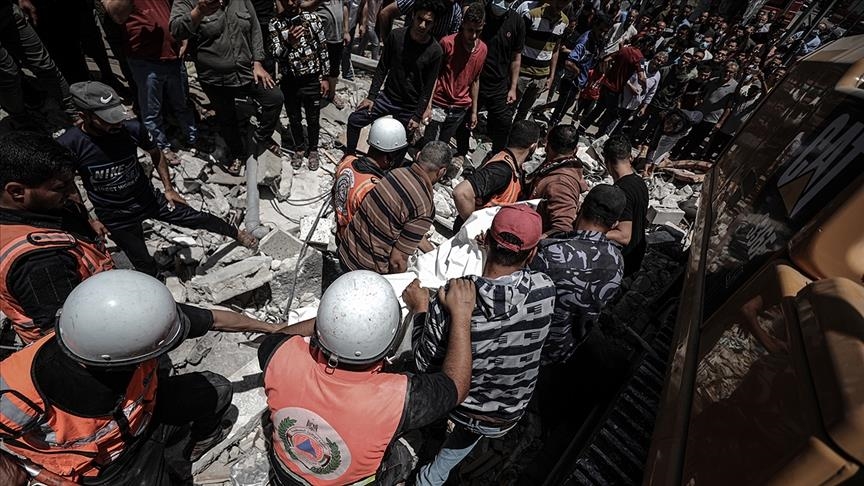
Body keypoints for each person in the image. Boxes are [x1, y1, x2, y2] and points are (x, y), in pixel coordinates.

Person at [0, 269, 287, 485]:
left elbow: (216, 320)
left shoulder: (140, 326)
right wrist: (26, 469)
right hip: (108, 464)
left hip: (147, 413)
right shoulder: (16, 388)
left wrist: (274, 331)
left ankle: (188, 447)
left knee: (216, 389)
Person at [258, 270, 475, 485]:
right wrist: (460, 315)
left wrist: (333, 324)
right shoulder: (396, 399)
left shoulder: (278, 355)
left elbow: (280, 336)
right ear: (390, 342)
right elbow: (456, 386)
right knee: (408, 449)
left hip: (284, 473)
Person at [410, 204, 556, 485]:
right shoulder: (546, 289)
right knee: (463, 440)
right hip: (505, 415)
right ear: (533, 253)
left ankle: (427, 431)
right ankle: (431, 477)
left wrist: (420, 309)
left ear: (486, 239)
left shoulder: (453, 297)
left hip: (459, 405)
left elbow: (422, 363)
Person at [57, 81, 257, 278]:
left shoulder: (132, 129)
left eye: (117, 116)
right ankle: (158, 285)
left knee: (196, 217)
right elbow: (68, 184)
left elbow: (156, 152)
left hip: (149, 199)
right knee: (142, 261)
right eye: (108, 119)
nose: (117, 123)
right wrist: (89, 220)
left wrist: (169, 188)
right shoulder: (69, 144)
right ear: (84, 116)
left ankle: (236, 233)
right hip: (115, 215)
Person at [0, 132, 114, 344]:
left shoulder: (42, 208)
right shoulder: (40, 263)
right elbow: (74, 337)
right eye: (60, 188)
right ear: (16, 191)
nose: (71, 193)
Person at [170, 0, 283, 174]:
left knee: (274, 97)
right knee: (226, 118)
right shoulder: (189, 2)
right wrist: (199, 11)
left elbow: (255, 29)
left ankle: (263, 136)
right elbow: (176, 30)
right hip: (215, 78)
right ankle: (237, 154)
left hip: (246, 71)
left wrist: (258, 62)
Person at [529, 183, 626, 365]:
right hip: (567, 351)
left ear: (580, 207)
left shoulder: (551, 253)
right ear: (614, 224)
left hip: (530, 351)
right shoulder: (617, 261)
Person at [345, 0, 444, 166]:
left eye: (428, 22)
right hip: (388, 97)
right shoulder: (396, 36)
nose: (422, 25)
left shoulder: (435, 51)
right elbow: (382, 68)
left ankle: (391, 171)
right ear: (413, 16)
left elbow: (428, 87)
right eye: (420, 19)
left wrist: (417, 116)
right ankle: (349, 156)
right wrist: (371, 97)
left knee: (402, 143)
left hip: (410, 106)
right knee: (355, 120)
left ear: (433, 24)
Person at [103, 0, 199, 166]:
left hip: (173, 53)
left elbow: (176, 7)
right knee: (152, 110)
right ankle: (161, 147)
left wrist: (183, 37)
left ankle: (193, 137)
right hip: (144, 59)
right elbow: (117, 14)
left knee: (182, 102)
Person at [338, 141, 452, 274]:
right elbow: (397, 262)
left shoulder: (395, 173)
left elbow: (400, 227)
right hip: (365, 272)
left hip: (345, 251)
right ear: (442, 171)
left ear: (418, 155)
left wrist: (434, 253)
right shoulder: (424, 206)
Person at [454, 0, 526, 153]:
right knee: (465, 119)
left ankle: (496, 155)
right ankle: (461, 153)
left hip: (499, 83)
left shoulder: (517, 22)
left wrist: (513, 87)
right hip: (474, 80)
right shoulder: (479, 14)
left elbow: (516, 58)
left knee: (504, 122)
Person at [269, 0, 331, 171]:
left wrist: (325, 77)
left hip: (311, 79)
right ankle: (299, 148)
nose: (290, 2)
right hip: (290, 81)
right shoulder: (275, 23)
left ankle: (313, 149)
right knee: (294, 117)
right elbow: (275, 54)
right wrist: (288, 42)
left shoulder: (313, 19)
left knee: (313, 117)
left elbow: (323, 49)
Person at [421, 2, 487, 151]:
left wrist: (474, 111)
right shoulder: (447, 43)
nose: (474, 35)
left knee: (443, 145)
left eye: (478, 31)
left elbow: (475, 80)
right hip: (439, 102)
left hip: (460, 107)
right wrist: (428, 105)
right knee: (429, 145)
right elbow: (434, 76)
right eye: (470, 30)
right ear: (463, 24)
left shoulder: (483, 50)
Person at [451, 119, 540, 227]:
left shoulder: (511, 165)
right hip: (474, 232)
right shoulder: (501, 170)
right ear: (533, 146)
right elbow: (461, 193)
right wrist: (473, 226)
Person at [0, 0, 73, 129]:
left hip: (6, 10)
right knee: (9, 75)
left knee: (44, 64)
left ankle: (74, 114)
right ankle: (24, 123)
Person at [333, 117, 408, 237]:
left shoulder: (347, 161)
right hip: (352, 238)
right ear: (387, 158)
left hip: (341, 225)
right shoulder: (374, 188)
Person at [549, 13, 611, 128]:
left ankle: (542, 109)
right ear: (595, 25)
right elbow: (569, 63)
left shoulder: (596, 41)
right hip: (571, 82)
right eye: (601, 30)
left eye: (605, 31)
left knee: (565, 105)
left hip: (579, 84)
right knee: (559, 113)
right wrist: (577, 72)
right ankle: (548, 134)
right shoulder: (584, 41)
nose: (602, 34)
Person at [523, 124, 588, 236]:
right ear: (575, 150)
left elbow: (562, 228)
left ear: (547, 146)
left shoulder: (560, 185)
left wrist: (535, 242)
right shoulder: (557, 166)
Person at [513, 0, 569, 121]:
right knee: (510, 108)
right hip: (522, 73)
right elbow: (516, 46)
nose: (560, 4)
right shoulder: (532, 16)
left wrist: (551, 76)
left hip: (541, 76)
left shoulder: (564, 22)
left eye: (565, 2)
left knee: (523, 112)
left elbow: (555, 50)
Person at [604, 134, 648, 276]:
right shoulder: (640, 182)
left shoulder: (621, 191)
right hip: (637, 254)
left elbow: (623, 236)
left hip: (623, 260)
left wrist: (591, 231)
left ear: (607, 162)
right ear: (630, 157)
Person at [678, 61, 739, 159]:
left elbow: (729, 107)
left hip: (712, 119)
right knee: (686, 135)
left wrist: (720, 123)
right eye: (726, 70)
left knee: (696, 141)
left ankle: (682, 158)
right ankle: (674, 153)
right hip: (699, 113)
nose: (727, 73)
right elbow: (702, 94)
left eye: (731, 72)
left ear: (734, 74)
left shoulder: (735, 87)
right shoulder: (713, 81)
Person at [314, 0, 350, 108]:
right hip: (320, 38)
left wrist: (346, 31)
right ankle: (315, 95)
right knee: (317, 67)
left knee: (334, 68)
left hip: (337, 37)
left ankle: (332, 94)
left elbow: (344, 8)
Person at [377, 0, 462, 41]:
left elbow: (452, 41)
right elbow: (385, 13)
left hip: (430, 59)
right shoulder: (419, 1)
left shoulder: (455, 11)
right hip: (405, 49)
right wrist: (388, 43)